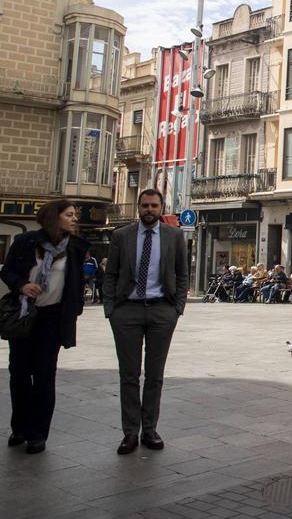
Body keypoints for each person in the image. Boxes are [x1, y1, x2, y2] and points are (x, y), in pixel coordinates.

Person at [103, 188, 189, 455]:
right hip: (127, 310)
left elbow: (182, 273)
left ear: (161, 208)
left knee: (155, 375)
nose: (149, 210)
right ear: (138, 208)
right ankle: (130, 433)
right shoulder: (121, 236)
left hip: (162, 310)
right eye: (145, 205)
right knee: (129, 375)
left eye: (154, 205)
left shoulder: (174, 236)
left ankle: (149, 429)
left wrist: (177, 308)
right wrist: (111, 309)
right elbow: (111, 274)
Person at [0, 200, 87, 454]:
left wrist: (75, 309)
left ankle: (38, 433)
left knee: (44, 376)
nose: (74, 219)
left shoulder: (74, 248)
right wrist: (22, 286)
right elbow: (7, 272)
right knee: (18, 373)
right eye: (69, 215)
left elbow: (76, 282)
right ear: (54, 217)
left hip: (53, 319)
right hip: (25, 314)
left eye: (75, 215)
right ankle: (19, 427)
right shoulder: (26, 242)